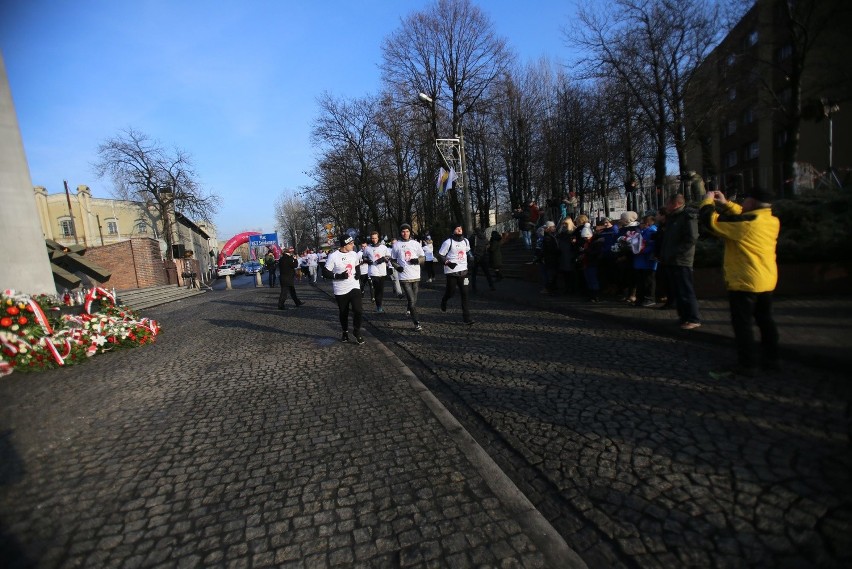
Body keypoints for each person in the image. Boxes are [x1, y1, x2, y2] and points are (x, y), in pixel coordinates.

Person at [700, 187, 781, 377]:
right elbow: (744, 217)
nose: (742, 203)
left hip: (745, 280)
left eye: (745, 200)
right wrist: (727, 205)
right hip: (766, 279)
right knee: (765, 320)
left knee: (743, 324)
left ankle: (748, 363)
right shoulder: (770, 220)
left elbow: (712, 223)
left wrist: (707, 202)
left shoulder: (746, 223)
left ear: (751, 203)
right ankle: (772, 359)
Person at [660, 193, 701, 329]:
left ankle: (693, 318)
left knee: (685, 290)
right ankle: (684, 317)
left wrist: (676, 253)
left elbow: (691, 238)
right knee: (678, 291)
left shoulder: (687, 216)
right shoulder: (673, 218)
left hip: (682, 260)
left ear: (675, 203)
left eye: (667, 203)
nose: (666, 206)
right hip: (671, 260)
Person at [322, 235, 364, 344]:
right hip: (340, 289)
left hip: (354, 286)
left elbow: (357, 265)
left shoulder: (354, 254)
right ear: (345, 245)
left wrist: (358, 274)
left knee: (358, 310)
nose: (353, 245)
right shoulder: (333, 256)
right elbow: (325, 272)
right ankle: (345, 332)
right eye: (351, 243)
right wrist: (338, 276)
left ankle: (356, 331)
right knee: (343, 312)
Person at [437, 222, 474, 325]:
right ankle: (444, 300)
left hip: (464, 273)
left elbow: (468, 251)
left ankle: (467, 318)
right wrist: (448, 263)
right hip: (452, 273)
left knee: (465, 293)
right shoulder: (448, 242)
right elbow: (440, 255)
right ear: (453, 230)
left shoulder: (466, 241)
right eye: (457, 228)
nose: (459, 230)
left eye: (460, 228)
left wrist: (471, 258)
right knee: (451, 292)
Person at [390, 224, 425, 331]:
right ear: (400, 233)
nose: (405, 233)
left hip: (415, 275)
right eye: (403, 232)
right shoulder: (396, 245)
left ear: (410, 232)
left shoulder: (415, 244)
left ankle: (409, 309)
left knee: (414, 299)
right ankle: (416, 323)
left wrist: (417, 261)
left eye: (407, 231)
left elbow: (423, 257)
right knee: (411, 300)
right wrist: (398, 267)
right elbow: (392, 260)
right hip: (404, 276)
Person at [632, 214, 659, 307]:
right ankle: (640, 298)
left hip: (647, 261)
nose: (640, 224)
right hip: (641, 261)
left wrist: (639, 250)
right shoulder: (644, 231)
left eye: (642, 223)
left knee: (648, 281)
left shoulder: (652, 231)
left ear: (647, 223)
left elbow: (652, 245)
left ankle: (649, 298)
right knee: (641, 281)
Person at [363, 231, 390, 313]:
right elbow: (364, 257)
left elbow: (388, 257)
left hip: (382, 271)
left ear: (378, 238)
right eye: (372, 238)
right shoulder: (367, 248)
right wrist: (367, 261)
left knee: (380, 290)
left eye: (375, 238)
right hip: (373, 272)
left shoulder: (383, 247)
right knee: (376, 289)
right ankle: (379, 306)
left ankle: (379, 304)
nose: (374, 240)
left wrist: (383, 259)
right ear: (370, 238)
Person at [470, 227, 495, 293]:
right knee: (487, 273)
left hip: (475, 257)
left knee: (473, 274)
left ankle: (473, 287)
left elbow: (468, 246)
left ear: (475, 231)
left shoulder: (473, 237)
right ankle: (491, 285)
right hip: (483, 257)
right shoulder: (484, 237)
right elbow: (488, 245)